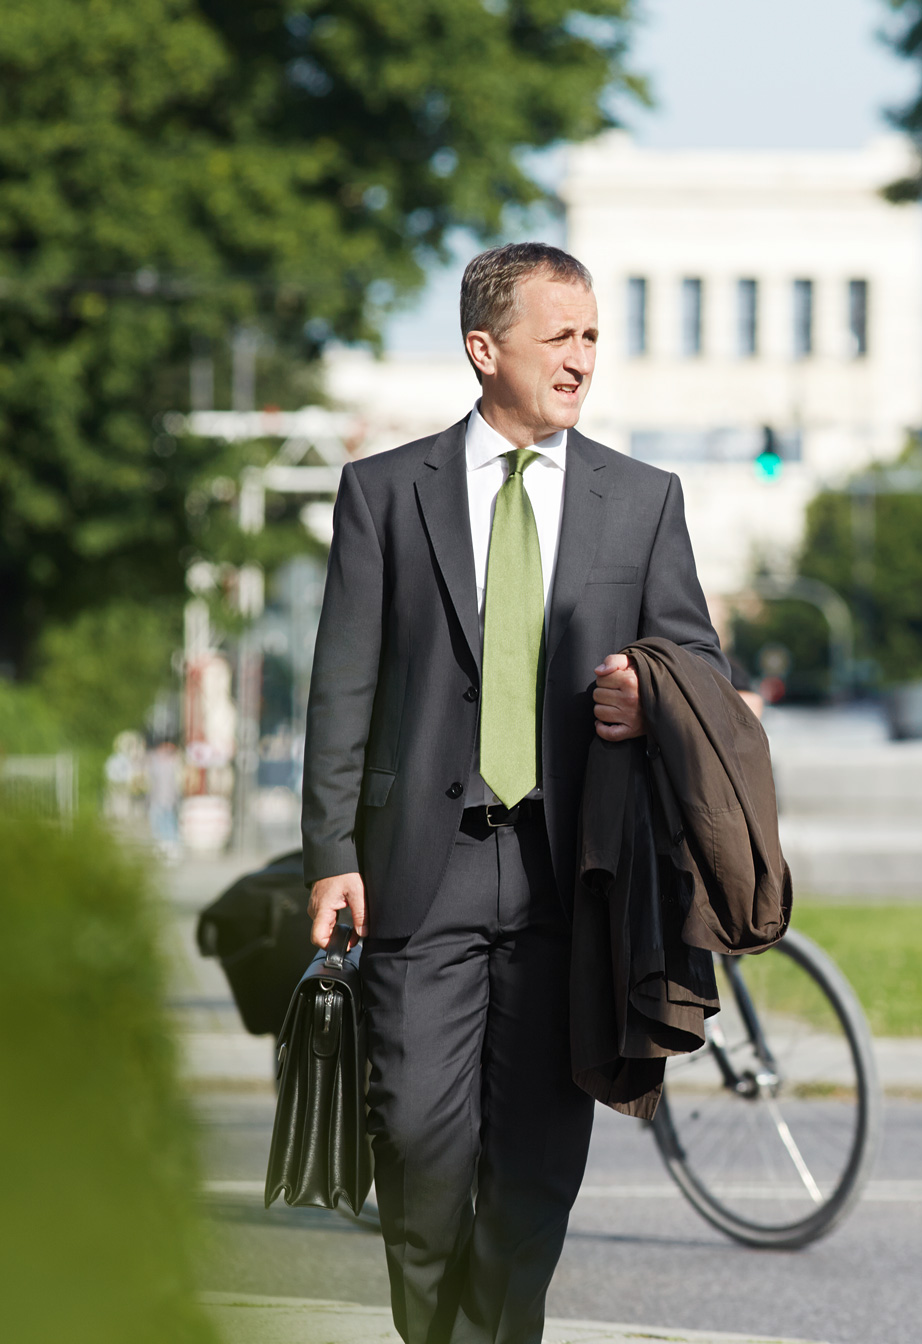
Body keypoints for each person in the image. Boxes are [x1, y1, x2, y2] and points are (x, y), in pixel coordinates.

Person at [300, 242, 726, 1344]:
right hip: (418, 879)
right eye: (560, 336)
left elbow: (699, 671)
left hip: (567, 882)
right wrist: (329, 854)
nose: (582, 359)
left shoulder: (643, 501)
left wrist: (652, 691)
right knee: (424, 1161)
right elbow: (341, 685)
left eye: (592, 337)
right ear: (484, 349)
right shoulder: (385, 494)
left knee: (534, 1178)